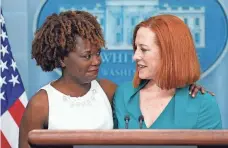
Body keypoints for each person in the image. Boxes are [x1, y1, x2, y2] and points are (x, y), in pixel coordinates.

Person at [19, 10, 209, 148]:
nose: (97, 61)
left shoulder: (108, 90)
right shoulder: (41, 104)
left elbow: (152, 91)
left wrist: (186, 84)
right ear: (62, 59)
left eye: (98, 53)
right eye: (87, 56)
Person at [113, 14, 222, 129]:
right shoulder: (123, 94)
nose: (135, 56)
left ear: (169, 53)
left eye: (144, 49)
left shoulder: (203, 105)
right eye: (136, 48)